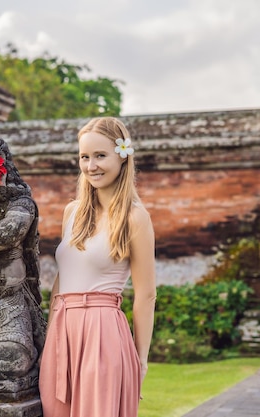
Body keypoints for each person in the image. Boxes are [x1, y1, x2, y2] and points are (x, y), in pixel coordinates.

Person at [38, 117, 156, 417]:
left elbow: (146, 294)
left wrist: (141, 359)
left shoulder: (135, 218)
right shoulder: (72, 212)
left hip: (103, 332)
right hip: (61, 330)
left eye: (100, 156)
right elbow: (62, 279)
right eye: (85, 157)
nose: (92, 166)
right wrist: (49, 333)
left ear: (122, 155)